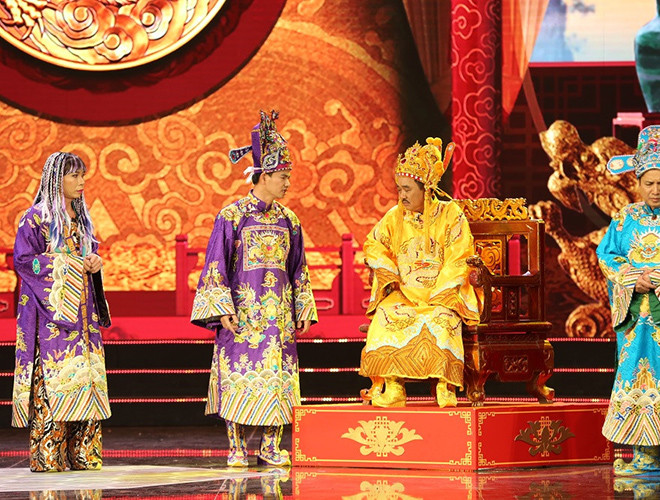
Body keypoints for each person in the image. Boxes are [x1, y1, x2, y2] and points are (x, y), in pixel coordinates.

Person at [191, 110, 317, 467]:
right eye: (282, 177)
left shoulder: (289, 220)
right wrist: (221, 309)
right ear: (264, 175)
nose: (287, 183)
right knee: (239, 376)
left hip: (278, 318)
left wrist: (303, 308)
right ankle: (237, 447)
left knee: (277, 378)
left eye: (288, 177)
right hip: (242, 315)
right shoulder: (232, 216)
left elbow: (298, 269)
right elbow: (215, 264)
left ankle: (270, 446)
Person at [359, 137, 482, 408]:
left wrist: (439, 294)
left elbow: (460, 256)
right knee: (386, 316)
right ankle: (394, 388)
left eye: (407, 189)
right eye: (399, 189)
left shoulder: (450, 214)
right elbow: (373, 245)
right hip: (404, 293)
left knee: (442, 319)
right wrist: (390, 275)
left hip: (440, 294)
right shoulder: (394, 217)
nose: (402, 195)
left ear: (425, 190)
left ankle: (445, 385)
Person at [11, 152, 111, 472]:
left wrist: (93, 262)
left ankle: (83, 453)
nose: (82, 182)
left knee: (86, 378)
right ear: (57, 180)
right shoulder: (35, 218)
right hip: (51, 318)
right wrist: (67, 264)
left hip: (83, 317)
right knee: (55, 380)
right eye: (74, 176)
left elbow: (87, 255)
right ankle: (49, 454)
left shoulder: (81, 218)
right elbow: (24, 261)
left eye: (83, 176)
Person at [597, 125, 660, 476]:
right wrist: (634, 278)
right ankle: (645, 453)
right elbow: (606, 255)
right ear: (637, 182)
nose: (655, 190)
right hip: (638, 321)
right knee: (638, 376)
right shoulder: (625, 219)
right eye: (649, 183)